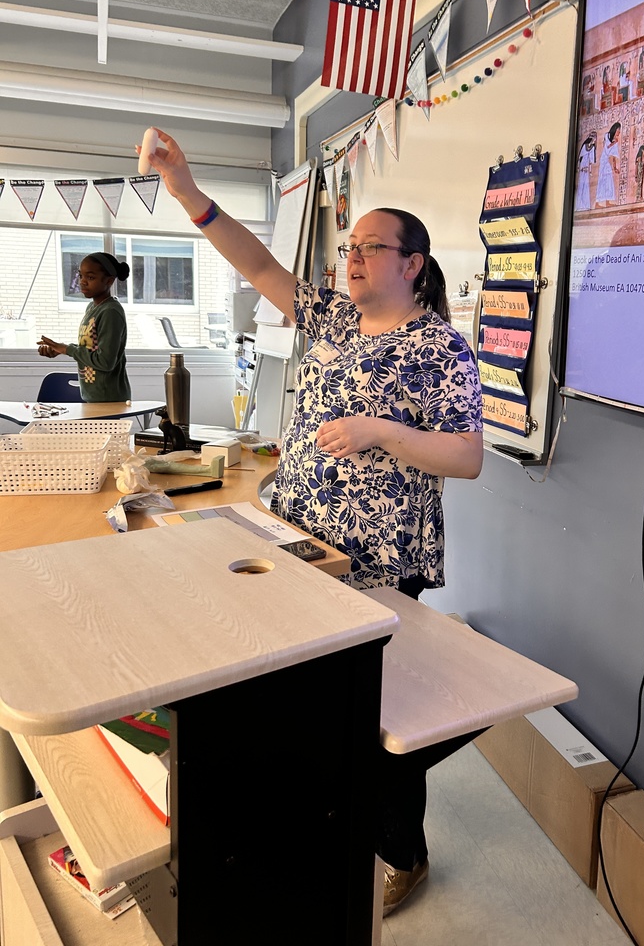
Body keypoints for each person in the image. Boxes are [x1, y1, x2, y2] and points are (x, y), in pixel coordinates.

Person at [143, 127, 484, 914]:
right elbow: (257, 263)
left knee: (375, 719)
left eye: (371, 247)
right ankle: (318, 823)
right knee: (302, 702)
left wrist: (383, 432)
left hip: (377, 560)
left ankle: (402, 851)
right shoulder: (329, 317)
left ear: (413, 265)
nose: (352, 257)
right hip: (295, 539)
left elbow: (467, 457)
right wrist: (187, 191)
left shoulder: (441, 350)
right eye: (350, 246)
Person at [37, 252, 131, 402]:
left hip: (108, 400)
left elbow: (106, 362)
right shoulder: (92, 308)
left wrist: (67, 349)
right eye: (81, 276)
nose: (82, 282)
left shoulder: (110, 312)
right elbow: (90, 349)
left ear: (109, 281)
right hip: (93, 398)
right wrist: (60, 350)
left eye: (90, 277)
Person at [595, 122, 621, 207]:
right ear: (615, 129)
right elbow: (606, 148)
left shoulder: (616, 141)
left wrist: (615, 168)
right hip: (604, 160)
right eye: (618, 130)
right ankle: (598, 202)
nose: (619, 132)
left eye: (619, 130)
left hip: (608, 162)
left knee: (609, 180)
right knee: (602, 180)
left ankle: (608, 201)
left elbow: (613, 156)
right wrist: (614, 142)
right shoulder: (607, 135)